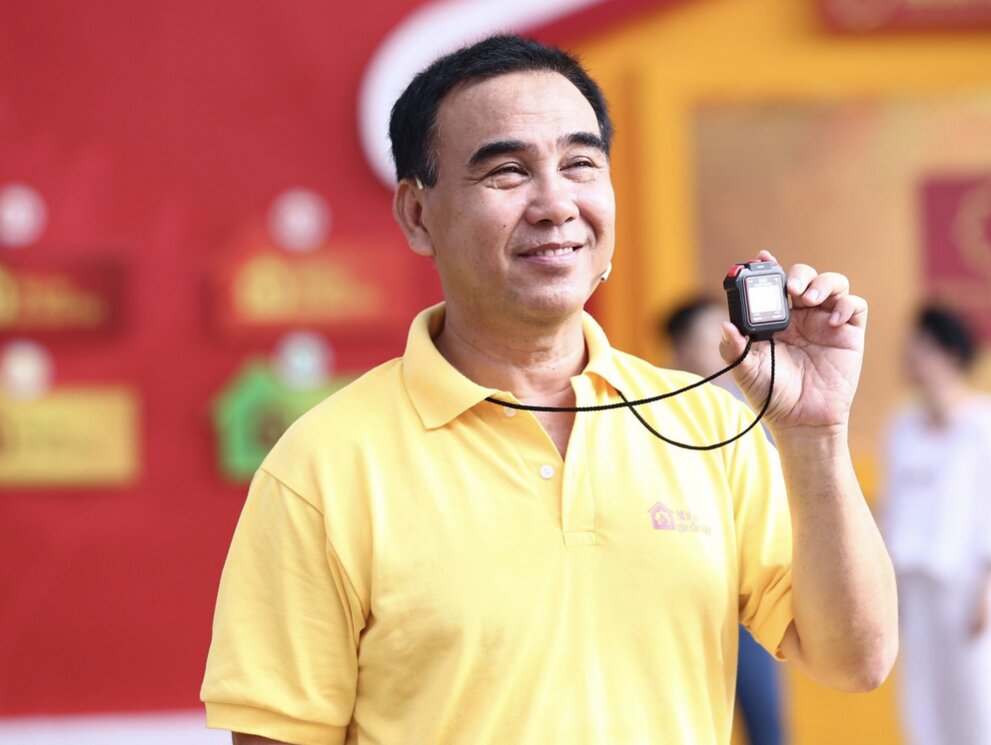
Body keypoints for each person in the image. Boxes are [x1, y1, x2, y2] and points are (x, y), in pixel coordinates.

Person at [201, 34, 898, 745]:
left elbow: (855, 658)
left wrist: (814, 433)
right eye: (507, 171)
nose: (555, 204)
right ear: (417, 214)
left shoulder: (706, 427)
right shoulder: (322, 466)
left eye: (580, 164)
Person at [881, 305, 991, 745]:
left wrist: (990, 588)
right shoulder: (902, 427)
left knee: (983, 705)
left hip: (972, 591)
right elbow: (893, 508)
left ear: (951, 354)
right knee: (924, 709)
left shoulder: (989, 426)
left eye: (922, 347)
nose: (911, 357)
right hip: (916, 589)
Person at [664, 296, 785, 745]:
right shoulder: (653, 412)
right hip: (681, 593)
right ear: (680, 349)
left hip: (747, 587)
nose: (729, 346)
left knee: (766, 724)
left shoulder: (755, 405)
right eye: (711, 338)